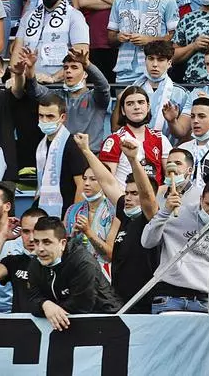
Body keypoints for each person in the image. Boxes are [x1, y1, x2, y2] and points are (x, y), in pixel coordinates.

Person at [72, 132, 158, 312]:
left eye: (134, 194)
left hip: (144, 301)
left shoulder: (151, 219)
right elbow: (108, 183)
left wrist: (133, 160)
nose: (128, 198)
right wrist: (86, 150)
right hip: (119, 298)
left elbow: (147, 195)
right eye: (127, 193)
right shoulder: (125, 214)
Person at [142, 178, 209, 313]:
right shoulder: (176, 213)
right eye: (208, 204)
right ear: (200, 198)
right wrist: (164, 212)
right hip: (170, 294)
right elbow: (147, 242)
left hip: (203, 299)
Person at [28, 216, 122, 329]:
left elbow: (80, 306)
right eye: (36, 242)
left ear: (62, 243)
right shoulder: (35, 263)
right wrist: (45, 305)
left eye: (47, 242)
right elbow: (31, 299)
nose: (40, 249)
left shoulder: (83, 263)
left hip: (105, 320)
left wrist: (49, 308)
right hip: (67, 324)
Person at [14, 47, 110, 154]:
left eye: (74, 67)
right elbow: (34, 90)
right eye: (65, 68)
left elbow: (103, 86)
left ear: (86, 74)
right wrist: (31, 69)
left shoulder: (95, 97)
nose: (68, 71)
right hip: (60, 155)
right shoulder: (57, 95)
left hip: (90, 156)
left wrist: (88, 64)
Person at [107, 0, 179, 85]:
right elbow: (111, 37)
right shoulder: (119, 0)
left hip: (155, 71)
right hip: (124, 71)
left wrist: (149, 40)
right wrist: (118, 37)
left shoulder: (167, 0)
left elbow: (174, 38)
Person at [13, 0, 89, 81]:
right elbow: (17, 51)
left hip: (59, 86)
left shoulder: (75, 16)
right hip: (28, 84)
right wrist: (15, 79)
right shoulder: (28, 16)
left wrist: (53, 79)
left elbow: (81, 57)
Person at [101, 85, 173, 188]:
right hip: (125, 201)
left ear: (148, 107)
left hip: (156, 201)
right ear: (123, 110)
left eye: (141, 102)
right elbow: (107, 183)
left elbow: (170, 178)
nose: (136, 107)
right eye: (130, 104)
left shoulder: (161, 139)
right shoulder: (114, 140)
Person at [62, 165, 118, 279]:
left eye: (93, 179)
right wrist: (72, 237)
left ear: (104, 181)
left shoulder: (115, 212)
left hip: (106, 277)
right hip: (76, 275)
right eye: (84, 178)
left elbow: (110, 255)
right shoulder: (72, 211)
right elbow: (61, 250)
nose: (86, 183)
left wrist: (88, 231)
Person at [130, 39, 189, 144]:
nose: (155, 64)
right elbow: (117, 126)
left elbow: (184, 133)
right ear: (145, 60)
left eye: (160, 60)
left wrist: (172, 121)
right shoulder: (131, 90)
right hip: (135, 148)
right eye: (151, 59)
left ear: (169, 63)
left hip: (168, 152)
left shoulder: (181, 94)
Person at [0, 205, 48, 313]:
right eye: (26, 231)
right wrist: (3, 235)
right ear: (20, 232)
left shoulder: (61, 261)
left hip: (54, 326)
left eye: (35, 231)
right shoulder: (13, 262)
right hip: (20, 327)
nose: (31, 238)